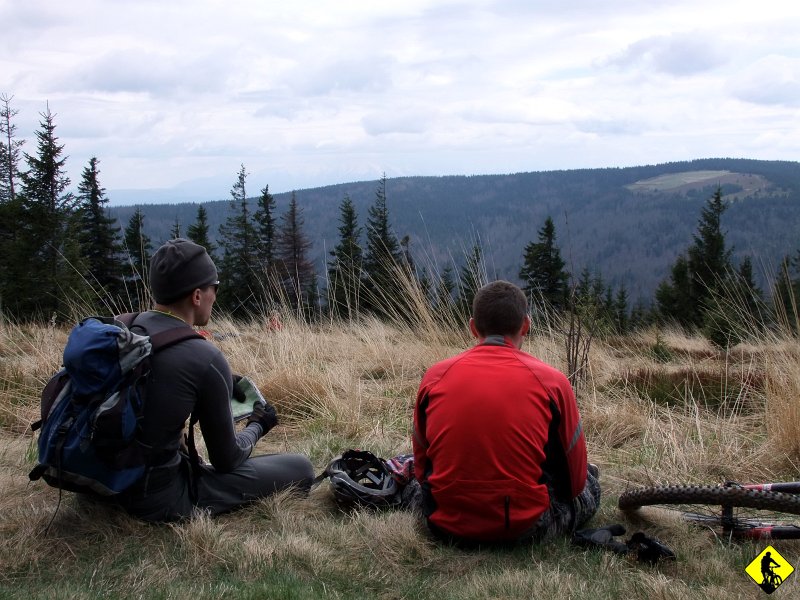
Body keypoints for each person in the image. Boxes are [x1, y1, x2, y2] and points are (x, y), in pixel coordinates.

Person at [110, 238, 314, 522]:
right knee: (300, 468)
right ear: (197, 296)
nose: (215, 296)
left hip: (103, 483)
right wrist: (258, 424)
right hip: (156, 499)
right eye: (214, 287)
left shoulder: (120, 326)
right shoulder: (204, 357)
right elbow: (227, 459)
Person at [410, 280, 600, 545]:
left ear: (473, 327)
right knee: (591, 483)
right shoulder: (553, 382)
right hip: (525, 528)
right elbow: (574, 483)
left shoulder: (435, 376)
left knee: (411, 481)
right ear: (526, 325)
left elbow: (421, 467)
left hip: (444, 524)